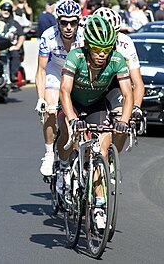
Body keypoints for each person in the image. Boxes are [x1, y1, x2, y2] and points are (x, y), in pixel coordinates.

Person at [57, 15, 133, 224]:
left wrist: (123, 122)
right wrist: (72, 119)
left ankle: (99, 203)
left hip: (95, 104)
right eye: (98, 49)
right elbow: (64, 90)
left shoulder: (117, 60)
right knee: (66, 132)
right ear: (88, 46)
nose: (102, 54)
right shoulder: (75, 56)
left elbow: (128, 94)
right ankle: (64, 168)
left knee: (101, 149)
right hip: (72, 102)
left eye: (106, 49)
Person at [35, 0, 84, 176]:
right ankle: (48, 154)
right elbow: (41, 70)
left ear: (79, 22)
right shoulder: (48, 36)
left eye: (73, 22)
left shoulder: (85, 36)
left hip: (77, 74)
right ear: (58, 22)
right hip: (56, 72)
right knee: (50, 111)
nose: (68, 27)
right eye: (64, 22)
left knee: (77, 120)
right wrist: (41, 98)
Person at [93, 7, 145, 151]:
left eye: (116, 32)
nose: (112, 36)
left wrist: (136, 107)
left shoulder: (125, 43)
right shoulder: (84, 39)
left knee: (122, 120)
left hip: (115, 85)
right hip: (91, 85)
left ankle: (112, 159)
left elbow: (137, 82)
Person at [0, 0, 25, 83]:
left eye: (8, 10)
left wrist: (17, 46)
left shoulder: (15, 23)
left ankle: (13, 75)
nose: (6, 12)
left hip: (11, 47)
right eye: (4, 9)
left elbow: (21, 36)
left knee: (15, 54)